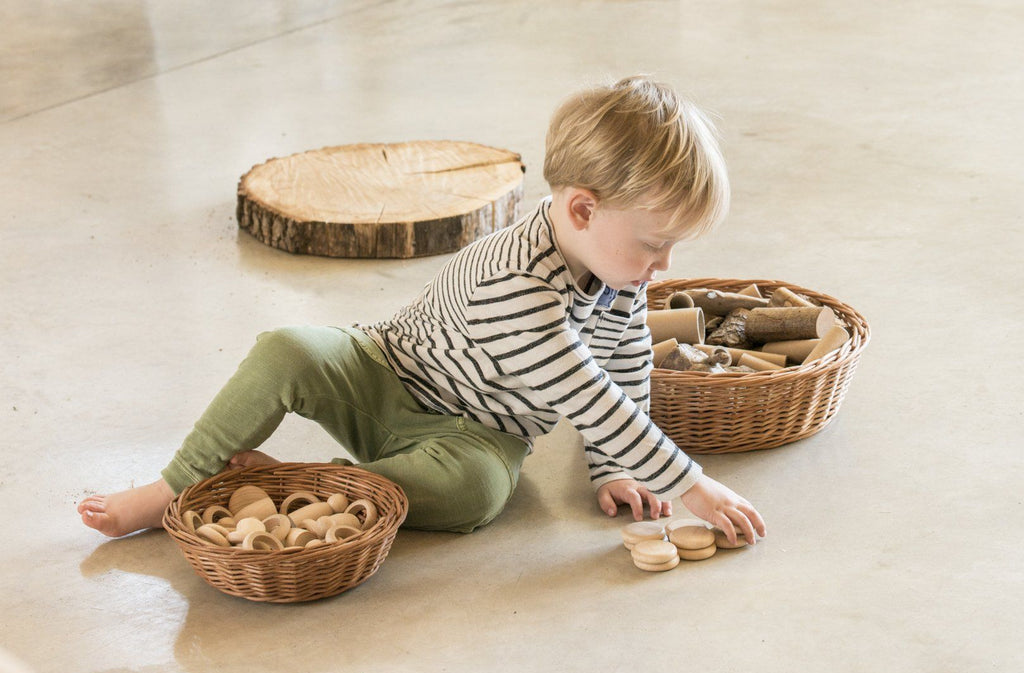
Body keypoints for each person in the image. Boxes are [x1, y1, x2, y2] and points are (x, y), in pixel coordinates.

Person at [79, 75, 766, 545]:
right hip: (383, 371)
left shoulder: (617, 266)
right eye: (655, 244)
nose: (664, 266)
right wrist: (693, 486)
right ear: (581, 209)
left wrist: (615, 467)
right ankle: (173, 486)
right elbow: (585, 393)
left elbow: (623, 363)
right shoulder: (518, 284)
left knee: (477, 493)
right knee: (287, 348)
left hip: (475, 435)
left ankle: (295, 485)